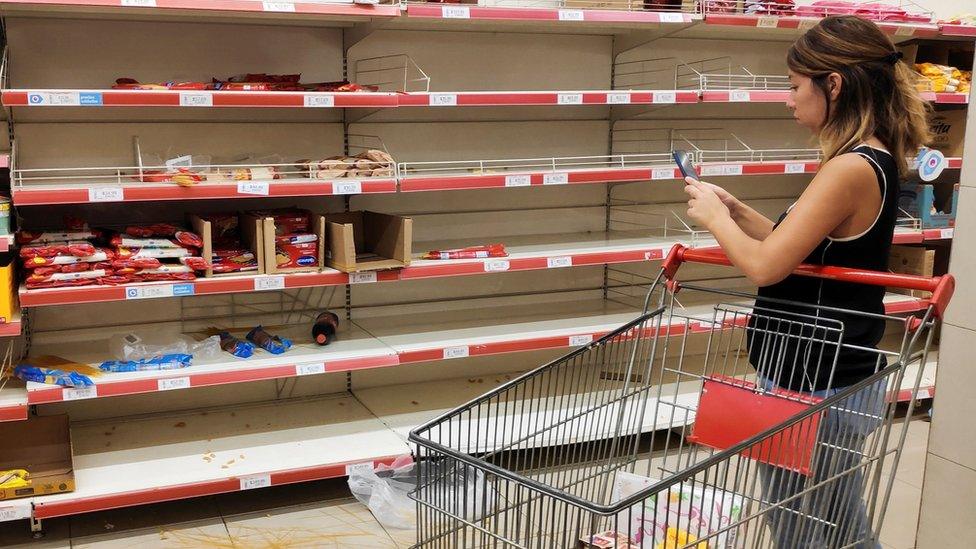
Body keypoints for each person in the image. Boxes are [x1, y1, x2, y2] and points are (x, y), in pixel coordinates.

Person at [682, 15, 931, 549]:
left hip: (811, 382)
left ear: (833, 85)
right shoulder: (874, 158)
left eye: (795, 87)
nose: (789, 100)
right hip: (831, 374)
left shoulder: (849, 167)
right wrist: (739, 212)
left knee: (801, 530)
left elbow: (767, 267)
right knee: (842, 529)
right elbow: (799, 249)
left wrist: (713, 220)